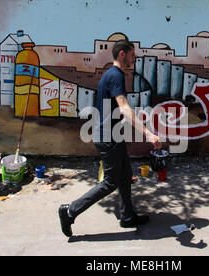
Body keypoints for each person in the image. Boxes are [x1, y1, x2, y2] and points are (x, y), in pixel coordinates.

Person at [58, 40, 162, 237]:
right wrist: (147, 133)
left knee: (124, 178)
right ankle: (70, 211)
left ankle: (128, 216)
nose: (135, 58)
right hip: (107, 137)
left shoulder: (111, 74)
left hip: (112, 135)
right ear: (122, 54)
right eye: (132, 54)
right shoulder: (116, 76)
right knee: (111, 182)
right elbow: (124, 108)